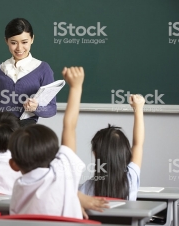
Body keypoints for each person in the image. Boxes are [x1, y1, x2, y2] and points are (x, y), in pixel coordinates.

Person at [7, 66, 108, 218]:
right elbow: (69, 126)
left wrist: (73, 197)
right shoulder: (63, 174)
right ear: (55, 155)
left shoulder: (17, 188)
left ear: (13, 164)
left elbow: (69, 127)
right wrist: (76, 87)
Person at [0, 18, 56, 126]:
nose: (19, 48)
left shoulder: (43, 69)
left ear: (32, 39)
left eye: (24, 42)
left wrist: (36, 108)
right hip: (2, 131)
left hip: (27, 133)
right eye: (13, 42)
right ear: (6, 41)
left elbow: (52, 109)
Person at [79, 95, 145, 200]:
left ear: (95, 153)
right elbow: (138, 144)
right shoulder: (130, 178)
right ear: (126, 153)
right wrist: (138, 108)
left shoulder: (86, 189)